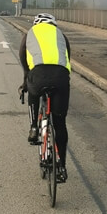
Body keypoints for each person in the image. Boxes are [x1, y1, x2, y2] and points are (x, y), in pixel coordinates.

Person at [18, 12, 71, 183]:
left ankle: (34, 128)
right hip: (61, 77)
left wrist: (26, 79)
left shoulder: (30, 34)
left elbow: (22, 57)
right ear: (53, 24)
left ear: (37, 23)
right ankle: (61, 166)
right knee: (60, 123)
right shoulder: (61, 35)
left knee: (33, 92)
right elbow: (67, 57)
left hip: (38, 75)